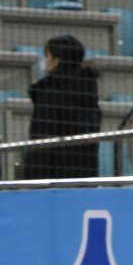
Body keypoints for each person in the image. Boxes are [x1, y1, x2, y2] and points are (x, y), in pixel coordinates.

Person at [23, 34, 101, 179]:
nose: (45, 62)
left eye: (48, 57)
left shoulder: (49, 93)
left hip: (52, 179)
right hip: (84, 176)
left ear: (57, 60)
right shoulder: (89, 91)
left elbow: (41, 141)